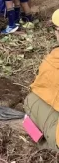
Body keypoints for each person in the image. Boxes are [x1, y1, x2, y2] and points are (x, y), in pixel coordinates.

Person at [23, 9, 59, 151]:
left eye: (56, 29)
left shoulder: (54, 59)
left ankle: (43, 144)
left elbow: (40, 86)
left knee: (30, 102)